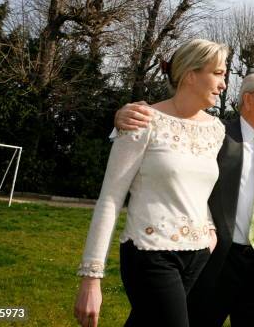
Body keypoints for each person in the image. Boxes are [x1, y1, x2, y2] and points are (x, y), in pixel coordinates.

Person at [115, 72, 254, 326]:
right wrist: (122, 120)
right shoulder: (214, 134)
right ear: (248, 99)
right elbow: (167, 138)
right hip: (214, 266)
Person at [74, 39, 229, 327]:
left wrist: (209, 230)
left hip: (197, 256)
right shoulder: (141, 120)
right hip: (149, 253)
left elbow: (199, 190)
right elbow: (110, 198)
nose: (223, 83)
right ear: (191, 75)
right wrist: (91, 278)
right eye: (218, 73)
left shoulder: (216, 130)